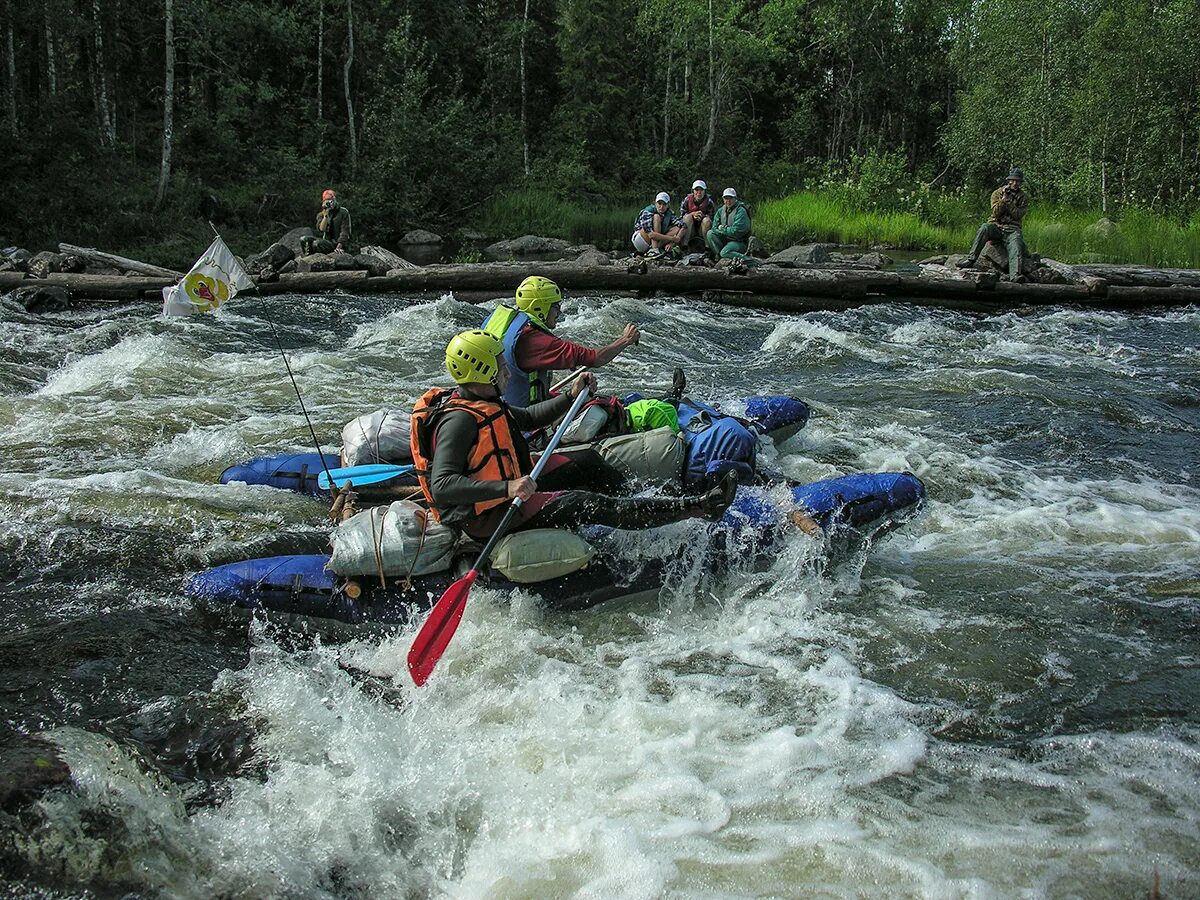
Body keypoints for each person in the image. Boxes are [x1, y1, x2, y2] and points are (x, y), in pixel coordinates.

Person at [409, 330, 737, 542]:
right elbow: (443, 486)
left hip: (514, 483)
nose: (507, 371)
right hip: (489, 516)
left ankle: (636, 503)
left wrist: (569, 397)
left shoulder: (484, 400)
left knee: (588, 461)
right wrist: (509, 487)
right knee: (585, 504)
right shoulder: (458, 422)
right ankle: (697, 509)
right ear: (481, 372)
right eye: (499, 366)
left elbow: (524, 418)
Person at [482, 275, 639, 408]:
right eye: (555, 306)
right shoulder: (534, 341)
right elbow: (596, 358)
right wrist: (626, 340)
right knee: (603, 410)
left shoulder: (499, 321)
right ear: (539, 308)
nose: (559, 312)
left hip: (497, 409)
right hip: (525, 424)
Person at [956, 167, 1030, 281]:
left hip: (1012, 229)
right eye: (1013, 181)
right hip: (996, 226)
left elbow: (1018, 215)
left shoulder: (1023, 197)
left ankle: (1014, 274)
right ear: (1009, 181)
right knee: (984, 228)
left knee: (1016, 243)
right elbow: (995, 213)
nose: (1015, 183)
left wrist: (1009, 203)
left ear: (1020, 183)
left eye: (1018, 181)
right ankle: (971, 259)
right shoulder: (997, 193)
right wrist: (1003, 200)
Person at [299, 189, 355, 255]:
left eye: (331, 201)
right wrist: (325, 216)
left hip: (337, 243)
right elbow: (321, 229)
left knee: (317, 243)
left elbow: (345, 232)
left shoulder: (343, 212)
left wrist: (339, 246)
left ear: (335, 200)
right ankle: (308, 258)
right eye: (327, 201)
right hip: (326, 242)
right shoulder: (322, 214)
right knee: (304, 239)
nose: (329, 203)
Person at [706, 188, 754, 261]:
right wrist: (724, 230)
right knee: (710, 233)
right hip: (726, 239)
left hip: (739, 242)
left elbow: (735, 231)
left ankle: (751, 261)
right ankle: (719, 258)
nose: (728, 201)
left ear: (735, 199)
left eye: (730, 198)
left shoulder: (741, 211)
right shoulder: (720, 211)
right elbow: (714, 227)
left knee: (725, 252)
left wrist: (722, 228)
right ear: (723, 199)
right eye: (726, 198)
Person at [632, 192, 684, 259]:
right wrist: (672, 238)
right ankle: (655, 250)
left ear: (668, 205)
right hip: (641, 239)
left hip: (656, 240)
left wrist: (672, 243)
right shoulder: (647, 211)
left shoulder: (670, 213)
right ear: (655, 203)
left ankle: (654, 250)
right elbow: (650, 234)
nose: (661, 207)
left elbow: (683, 226)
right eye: (659, 204)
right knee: (656, 217)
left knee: (677, 228)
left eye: (664, 204)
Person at [678, 180, 715, 250]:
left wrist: (702, 216)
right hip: (690, 229)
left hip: (702, 229)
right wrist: (693, 214)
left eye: (701, 190)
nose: (699, 192)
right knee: (687, 218)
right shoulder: (687, 200)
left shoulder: (709, 202)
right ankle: (684, 246)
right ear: (693, 191)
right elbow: (681, 216)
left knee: (707, 220)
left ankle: (707, 247)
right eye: (696, 190)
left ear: (704, 191)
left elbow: (712, 217)